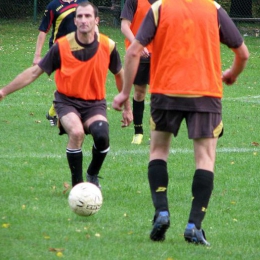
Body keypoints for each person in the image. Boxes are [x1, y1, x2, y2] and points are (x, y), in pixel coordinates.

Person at [113, 0, 249, 245]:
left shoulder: (160, 8)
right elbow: (243, 53)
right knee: (205, 158)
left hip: (166, 91)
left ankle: (162, 211)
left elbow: (133, 51)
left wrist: (124, 93)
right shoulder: (213, 8)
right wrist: (232, 74)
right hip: (205, 93)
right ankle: (194, 225)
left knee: (158, 151)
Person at [0, 1, 132, 188]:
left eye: (88, 16)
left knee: (102, 135)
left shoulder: (108, 45)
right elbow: (33, 72)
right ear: (75, 21)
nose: (83, 20)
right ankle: (78, 187)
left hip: (95, 103)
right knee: (77, 133)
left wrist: (127, 108)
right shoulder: (61, 47)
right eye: (79, 16)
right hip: (66, 101)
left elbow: (120, 75)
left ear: (96, 20)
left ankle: (92, 174)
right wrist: (4, 91)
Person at [33, 0, 86, 126]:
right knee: (70, 83)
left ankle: (52, 113)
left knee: (75, 84)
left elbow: (93, 25)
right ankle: (66, 114)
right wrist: (37, 55)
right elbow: (43, 31)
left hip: (80, 49)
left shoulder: (83, 3)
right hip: (59, 50)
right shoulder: (53, 6)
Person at [120, 0, 155, 144]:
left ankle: (158, 131)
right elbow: (124, 26)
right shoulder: (134, 1)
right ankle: (138, 131)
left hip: (161, 54)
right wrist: (137, 44)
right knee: (140, 92)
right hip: (139, 54)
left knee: (160, 92)